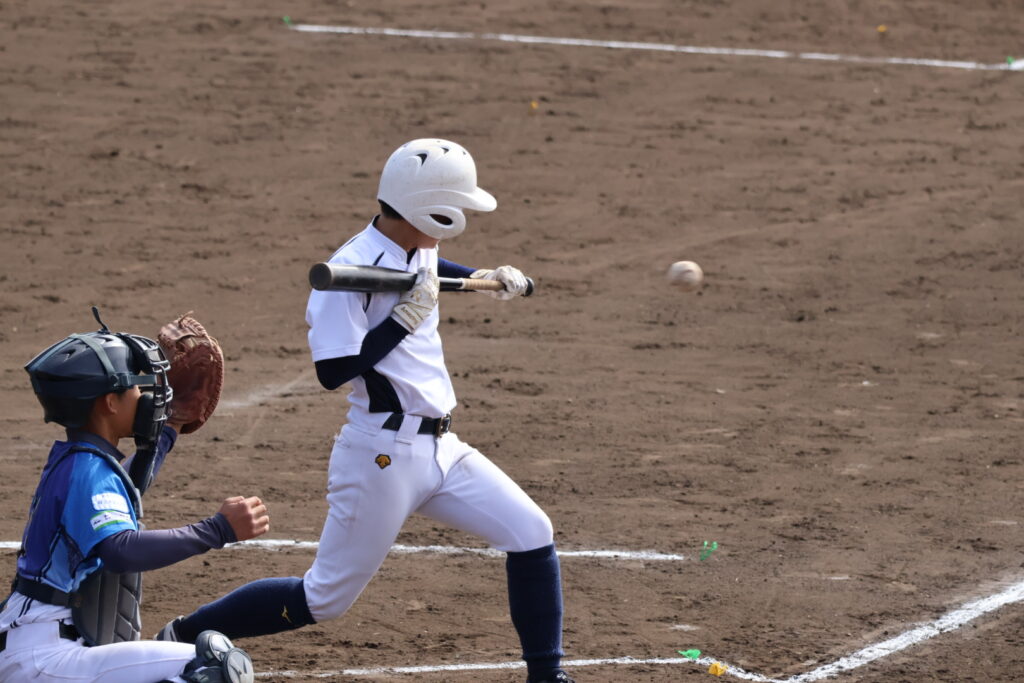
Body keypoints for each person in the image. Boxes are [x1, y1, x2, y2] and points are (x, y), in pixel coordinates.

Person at [154, 138, 574, 683]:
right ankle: (180, 636)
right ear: (430, 207)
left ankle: (547, 677)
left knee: (532, 531)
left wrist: (482, 276)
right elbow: (334, 371)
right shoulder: (345, 273)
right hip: (382, 455)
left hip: (442, 448)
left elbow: (426, 267)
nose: (462, 215)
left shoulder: (413, 242)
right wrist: (402, 321)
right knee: (323, 598)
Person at [0, 314, 268, 683]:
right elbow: (120, 549)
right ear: (110, 403)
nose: (146, 396)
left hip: (39, 644)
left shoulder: (81, 461)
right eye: (137, 388)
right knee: (211, 665)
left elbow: (126, 486)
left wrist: (170, 429)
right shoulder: (86, 470)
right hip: (44, 656)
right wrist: (216, 529)